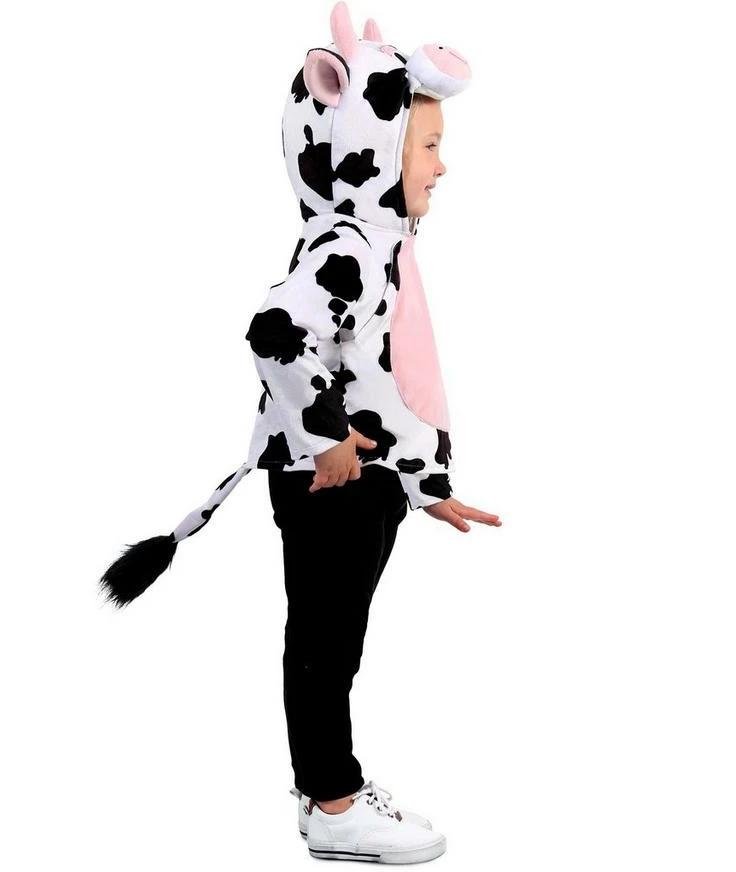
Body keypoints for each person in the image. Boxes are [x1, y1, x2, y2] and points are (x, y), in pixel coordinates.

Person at [98, 2, 501, 864]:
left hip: (366, 482)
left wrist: (426, 483)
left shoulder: (376, 247)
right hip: (332, 484)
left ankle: (330, 789)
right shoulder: (346, 247)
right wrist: (328, 442)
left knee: (334, 639)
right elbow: (276, 333)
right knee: (325, 644)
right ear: (373, 147)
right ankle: (332, 803)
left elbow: (385, 376)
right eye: (429, 146)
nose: (444, 166)